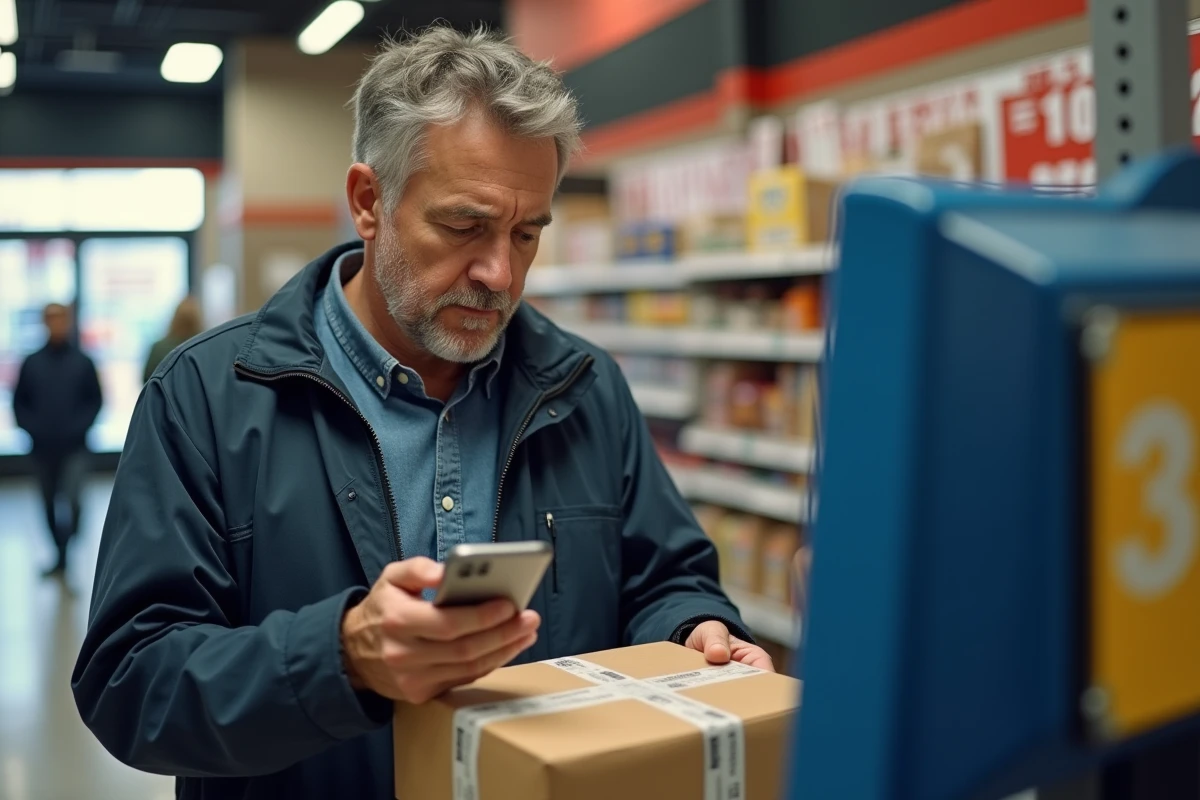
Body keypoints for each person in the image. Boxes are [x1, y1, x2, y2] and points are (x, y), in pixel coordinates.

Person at [72, 26, 772, 800]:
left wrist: (693, 631)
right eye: (464, 226)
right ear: (369, 202)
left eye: (526, 233)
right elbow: (131, 684)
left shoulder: (584, 387)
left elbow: (664, 576)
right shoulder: (207, 396)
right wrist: (341, 659)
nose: (499, 272)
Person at [12, 303, 103, 577]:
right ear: (45, 324)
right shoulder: (32, 362)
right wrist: (32, 429)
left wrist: (79, 428)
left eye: (61, 320)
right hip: (42, 448)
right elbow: (19, 404)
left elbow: (95, 401)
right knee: (48, 502)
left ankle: (67, 548)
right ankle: (60, 556)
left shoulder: (83, 361)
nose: (57, 325)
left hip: (75, 447)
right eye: (51, 320)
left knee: (74, 501)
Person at [142, 295, 204, 382]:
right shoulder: (203, 349)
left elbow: (146, 381)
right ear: (198, 321)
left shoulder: (158, 348)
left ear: (175, 319)